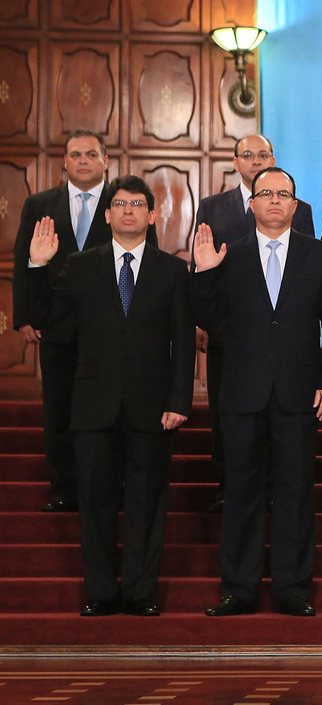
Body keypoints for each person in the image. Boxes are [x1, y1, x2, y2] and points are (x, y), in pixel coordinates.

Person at [25, 175, 193, 617]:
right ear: (107, 214)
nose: (129, 211)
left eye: (138, 204)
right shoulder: (80, 266)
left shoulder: (172, 270)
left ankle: (140, 592)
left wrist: (179, 401)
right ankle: (100, 591)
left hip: (153, 407)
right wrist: (38, 268)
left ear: (152, 215)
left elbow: (182, 340)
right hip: (94, 405)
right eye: (120, 204)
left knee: (146, 502)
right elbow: (53, 327)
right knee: (95, 504)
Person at [193, 167, 322, 617]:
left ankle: (292, 587)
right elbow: (207, 320)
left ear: (295, 206)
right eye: (266, 193)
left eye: (284, 194)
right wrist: (203, 273)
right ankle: (238, 588)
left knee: (296, 492)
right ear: (252, 204)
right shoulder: (228, 255)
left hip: (299, 393)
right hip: (241, 393)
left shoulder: (320, 256)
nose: (275, 200)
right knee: (241, 492)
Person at [13, 129, 158, 512]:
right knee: (59, 408)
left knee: (116, 410)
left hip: (115, 330)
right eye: (75, 154)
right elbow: (24, 261)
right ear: (64, 161)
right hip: (57, 326)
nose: (82, 160)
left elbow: (150, 262)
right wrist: (26, 315)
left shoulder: (127, 202)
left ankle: (118, 487)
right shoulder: (39, 204)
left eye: (91, 154)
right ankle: (65, 488)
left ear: (105, 160)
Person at [194, 134, 316, 513]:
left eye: (263, 154)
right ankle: (227, 481)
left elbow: (308, 270)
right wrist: (200, 319)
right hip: (230, 332)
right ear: (235, 162)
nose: (256, 160)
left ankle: (274, 484)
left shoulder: (302, 209)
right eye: (248, 154)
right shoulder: (212, 207)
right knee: (225, 410)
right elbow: (200, 261)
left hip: (284, 337)